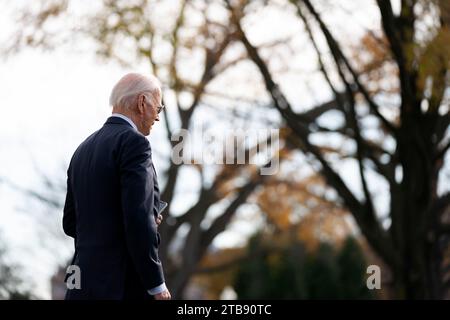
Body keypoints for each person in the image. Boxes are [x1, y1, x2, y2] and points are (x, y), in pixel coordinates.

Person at [63, 73, 171, 300]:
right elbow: (138, 218)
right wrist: (156, 284)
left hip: (81, 285)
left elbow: (71, 223)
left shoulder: (81, 150)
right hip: (121, 286)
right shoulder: (135, 143)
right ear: (142, 103)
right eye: (158, 109)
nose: (158, 118)